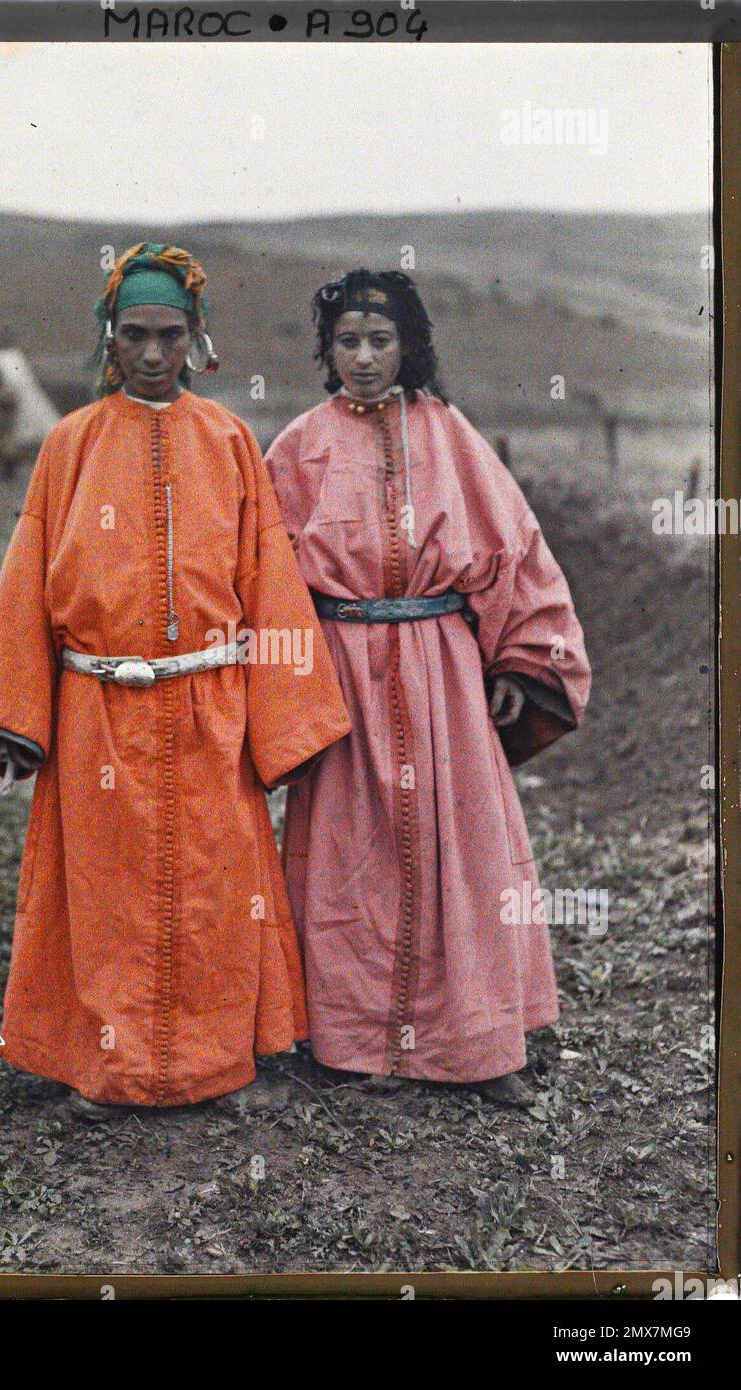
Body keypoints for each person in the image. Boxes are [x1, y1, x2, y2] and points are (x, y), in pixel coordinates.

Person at [0, 243, 350, 1111]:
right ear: (109, 339)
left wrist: (286, 722)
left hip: (211, 710)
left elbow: (270, 583)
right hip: (97, 714)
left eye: (169, 334)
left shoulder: (230, 442)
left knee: (217, 894)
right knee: (105, 899)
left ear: (196, 339)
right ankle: (110, 1067)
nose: (150, 353)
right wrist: (11, 714)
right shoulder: (69, 445)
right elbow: (26, 580)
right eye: (133, 334)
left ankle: (218, 1063)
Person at [265, 269, 591, 1107]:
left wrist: (520, 661)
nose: (364, 358)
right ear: (327, 352)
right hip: (342, 675)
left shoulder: (451, 438)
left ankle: (482, 1044)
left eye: (380, 341)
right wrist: (285, 684)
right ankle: (348, 1043)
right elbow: (260, 574)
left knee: (465, 854)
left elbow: (518, 551)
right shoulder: (299, 446)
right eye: (348, 343)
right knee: (347, 857)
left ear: (408, 346)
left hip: (443, 673)